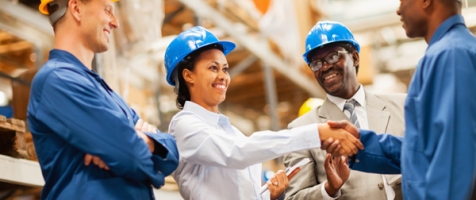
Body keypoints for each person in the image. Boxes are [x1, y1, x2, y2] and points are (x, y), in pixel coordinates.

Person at [163, 26, 364, 200]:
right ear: (188, 75)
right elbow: (237, 152)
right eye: (213, 68)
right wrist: (315, 134)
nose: (223, 76)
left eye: (225, 69)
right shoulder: (184, 126)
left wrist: (268, 195)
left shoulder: (231, 132)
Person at [28, 0, 179, 199]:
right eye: (107, 10)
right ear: (76, 8)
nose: (115, 23)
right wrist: (132, 143)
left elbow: (171, 152)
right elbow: (130, 154)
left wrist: (145, 141)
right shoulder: (56, 80)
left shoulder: (107, 93)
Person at [326, 0, 476, 199]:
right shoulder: (445, 53)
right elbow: (421, 151)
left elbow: (456, 159)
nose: (398, 9)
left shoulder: (452, 55)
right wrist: (361, 143)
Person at [283, 21, 406, 200]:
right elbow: (293, 197)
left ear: (355, 58)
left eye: (333, 57)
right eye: (316, 63)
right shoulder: (301, 130)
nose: (325, 67)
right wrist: (328, 189)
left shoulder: (402, 107)